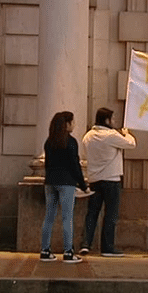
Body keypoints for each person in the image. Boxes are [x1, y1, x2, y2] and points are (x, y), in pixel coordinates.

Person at [80, 107, 136, 257]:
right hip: (111, 179)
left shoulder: (88, 136)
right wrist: (126, 133)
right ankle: (107, 247)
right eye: (112, 119)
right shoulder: (111, 135)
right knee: (110, 214)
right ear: (107, 120)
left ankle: (86, 244)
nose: (114, 121)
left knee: (92, 213)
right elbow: (131, 144)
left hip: (94, 179)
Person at [40, 111, 90, 264]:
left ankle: (45, 250)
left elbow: (47, 164)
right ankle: (68, 252)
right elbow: (75, 166)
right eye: (72, 122)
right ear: (67, 124)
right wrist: (83, 184)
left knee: (49, 216)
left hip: (50, 181)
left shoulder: (49, 141)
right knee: (67, 218)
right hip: (66, 182)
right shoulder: (71, 142)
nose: (74, 124)